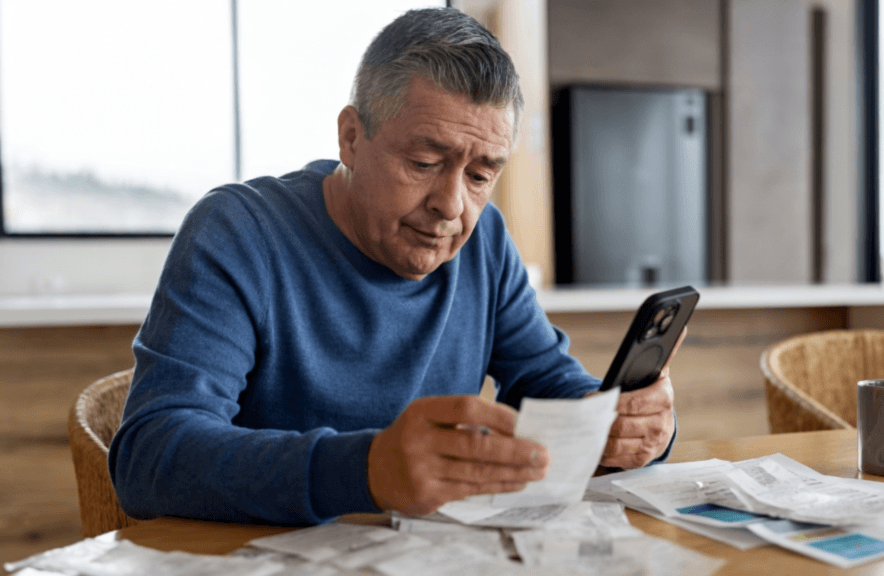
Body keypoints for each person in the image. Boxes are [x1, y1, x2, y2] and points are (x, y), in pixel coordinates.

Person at [109, 7, 679, 525]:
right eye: (425, 161)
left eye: (481, 176)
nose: (452, 206)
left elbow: (546, 382)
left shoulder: (484, 243)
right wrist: (365, 470)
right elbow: (151, 456)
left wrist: (622, 423)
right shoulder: (238, 232)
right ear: (352, 137)